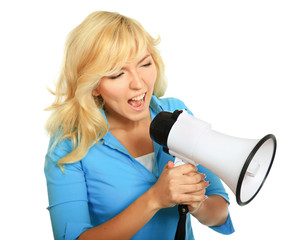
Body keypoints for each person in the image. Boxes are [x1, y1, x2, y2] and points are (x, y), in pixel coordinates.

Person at [44, 11, 235, 240]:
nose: (138, 83)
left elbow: (220, 213)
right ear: (93, 85)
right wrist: (155, 198)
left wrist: (196, 204)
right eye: (117, 74)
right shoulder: (69, 145)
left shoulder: (176, 114)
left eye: (145, 63)